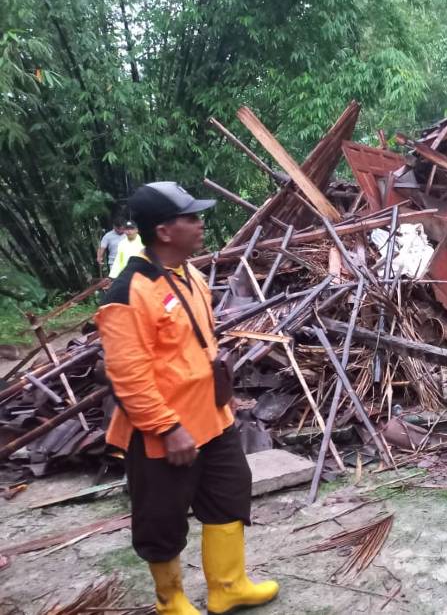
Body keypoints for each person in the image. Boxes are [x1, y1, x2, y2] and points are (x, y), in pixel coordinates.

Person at [96, 182, 279, 615]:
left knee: (229, 495)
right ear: (163, 230)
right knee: (162, 518)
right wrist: (166, 427)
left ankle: (228, 587)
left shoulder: (190, 275)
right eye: (191, 218)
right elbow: (127, 374)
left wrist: (223, 398)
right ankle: (171, 601)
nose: (201, 225)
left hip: (213, 419)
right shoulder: (127, 293)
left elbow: (198, 346)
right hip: (164, 431)